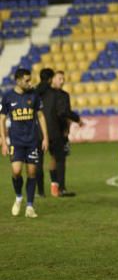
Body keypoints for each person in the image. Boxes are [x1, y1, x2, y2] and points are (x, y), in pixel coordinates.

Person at [0, 68, 49, 218]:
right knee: (16, 171)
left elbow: (40, 116)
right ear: (18, 80)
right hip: (16, 141)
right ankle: (19, 197)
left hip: (32, 141)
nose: (30, 82)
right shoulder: (8, 97)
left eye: (30, 79)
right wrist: (3, 141)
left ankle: (30, 207)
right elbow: (1, 119)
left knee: (32, 172)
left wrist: (45, 137)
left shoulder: (33, 95)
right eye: (27, 80)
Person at [42, 70, 83, 197]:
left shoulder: (43, 93)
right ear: (52, 79)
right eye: (59, 78)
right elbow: (64, 112)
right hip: (57, 132)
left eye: (63, 78)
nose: (62, 81)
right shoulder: (61, 95)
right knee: (60, 159)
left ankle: (52, 188)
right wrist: (77, 119)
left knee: (52, 159)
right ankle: (61, 189)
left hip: (43, 132)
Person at [34, 68, 55, 197]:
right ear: (50, 79)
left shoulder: (34, 93)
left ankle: (40, 192)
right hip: (52, 131)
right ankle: (57, 187)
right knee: (56, 159)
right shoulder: (53, 93)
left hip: (36, 132)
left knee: (38, 163)